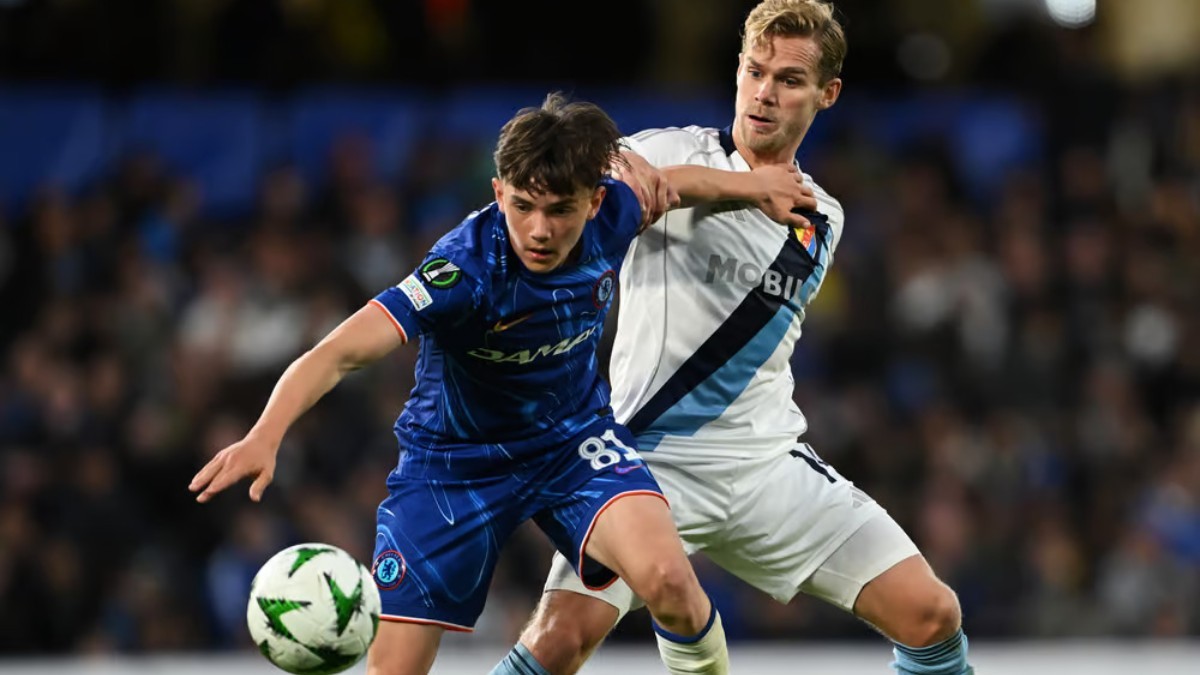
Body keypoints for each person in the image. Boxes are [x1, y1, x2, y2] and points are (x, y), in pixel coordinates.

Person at [188, 92, 812, 675]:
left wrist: (754, 186)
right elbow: (339, 352)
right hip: (453, 468)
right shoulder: (462, 271)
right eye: (522, 206)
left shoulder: (613, 217)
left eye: (559, 210)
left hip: (571, 444)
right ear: (498, 191)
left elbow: (674, 186)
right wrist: (265, 434)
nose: (539, 229)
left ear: (594, 202)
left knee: (672, 584)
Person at [490, 3, 977, 675]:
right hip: (647, 461)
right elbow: (608, 192)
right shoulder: (661, 151)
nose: (765, 93)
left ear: (828, 94)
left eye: (790, 80)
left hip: (764, 465)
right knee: (557, 642)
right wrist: (744, 186)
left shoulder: (821, 218)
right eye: (755, 71)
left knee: (933, 614)